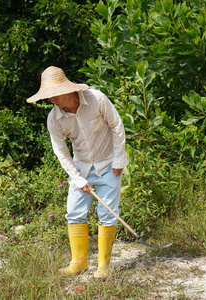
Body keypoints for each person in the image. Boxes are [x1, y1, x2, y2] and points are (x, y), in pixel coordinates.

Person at [26, 66, 128, 279]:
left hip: (109, 164)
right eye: (47, 96)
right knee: (74, 212)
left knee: (107, 214)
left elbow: (117, 126)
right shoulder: (54, 119)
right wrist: (78, 179)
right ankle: (79, 262)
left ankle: (103, 266)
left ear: (68, 90)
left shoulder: (97, 99)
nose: (51, 99)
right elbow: (61, 152)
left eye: (54, 94)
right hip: (81, 167)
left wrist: (119, 160)